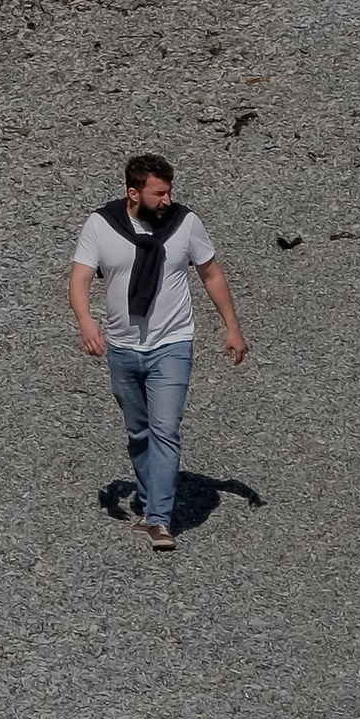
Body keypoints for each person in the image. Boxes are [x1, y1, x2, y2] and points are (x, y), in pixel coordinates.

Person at [69, 153, 246, 550]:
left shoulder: (186, 224)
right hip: (123, 347)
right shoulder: (101, 225)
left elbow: (211, 273)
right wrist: (86, 321)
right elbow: (79, 279)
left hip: (173, 343)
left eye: (169, 192)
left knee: (165, 429)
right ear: (134, 193)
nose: (167, 200)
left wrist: (232, 327)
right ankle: (149, 501)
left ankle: (159, 520)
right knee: (139, 431)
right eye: (159, 193)